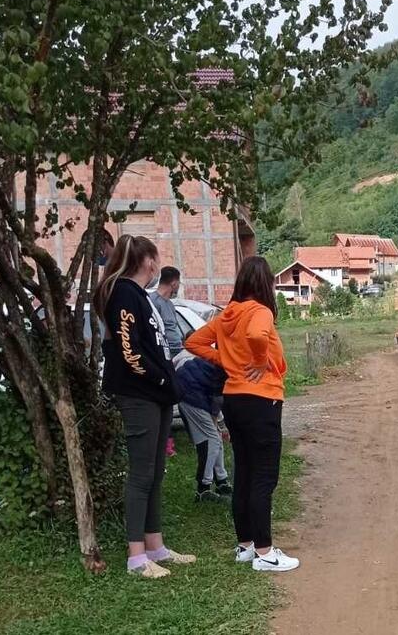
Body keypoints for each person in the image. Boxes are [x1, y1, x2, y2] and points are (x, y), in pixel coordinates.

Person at [186, 256, 299, 573]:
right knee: (264, 476)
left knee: (245, 472)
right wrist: (260, 361)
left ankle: (246, 545)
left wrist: (224, 360)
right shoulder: (259, 311)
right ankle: (265, 553)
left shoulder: (227, 315)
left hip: (234, 399)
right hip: (262, 400)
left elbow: (193, 342)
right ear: (266, 284)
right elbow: (257, 336)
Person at [94, 235, 194, 578]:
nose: (158, 265)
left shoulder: (140, 296)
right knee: (140, 474)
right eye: (156, 258)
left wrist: (167, 382)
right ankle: (136, 558)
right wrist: (162, 380)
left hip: (157, 394)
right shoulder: (122, 293)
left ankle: (155, 546)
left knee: (155, 471)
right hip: (139, 394)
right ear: (148, 261)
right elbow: (130, 352)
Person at [174, 348, 232, 501]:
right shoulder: (232, 366)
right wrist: (221, 423)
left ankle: (221, 481)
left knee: (216, 438)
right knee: (211, 440)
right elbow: (217, 399)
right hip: (190, 394)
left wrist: (221, 424)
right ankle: (203, 489)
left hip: (195, 390)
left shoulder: (230, 358)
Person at [150, 266, 184, 358]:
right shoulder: (152, 301)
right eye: (179, 282)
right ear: (174, 283)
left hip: (177, 351)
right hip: (164, 353)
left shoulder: (170, 304)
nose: (179, 285)